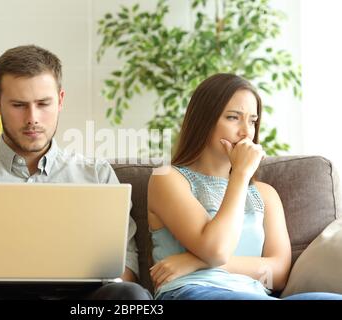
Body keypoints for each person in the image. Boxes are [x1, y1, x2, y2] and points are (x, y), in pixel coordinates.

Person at [0, 45, 151, 300]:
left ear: (60, 100)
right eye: (19, 105)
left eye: (43, 103)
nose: (32, 118)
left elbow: (126, 272)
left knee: (130, 295)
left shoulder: (97, 175)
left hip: (80, 300)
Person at [147, 73, 342, 300]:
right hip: (193, 291)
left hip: (255, 295)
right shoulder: (168, 178)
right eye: (233, 118)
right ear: (204, 121)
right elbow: (216, 249)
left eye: (252, 120)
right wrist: (240, 174)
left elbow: (278, 273)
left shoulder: (265, 194)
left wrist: (194, 261)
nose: (246, 131)